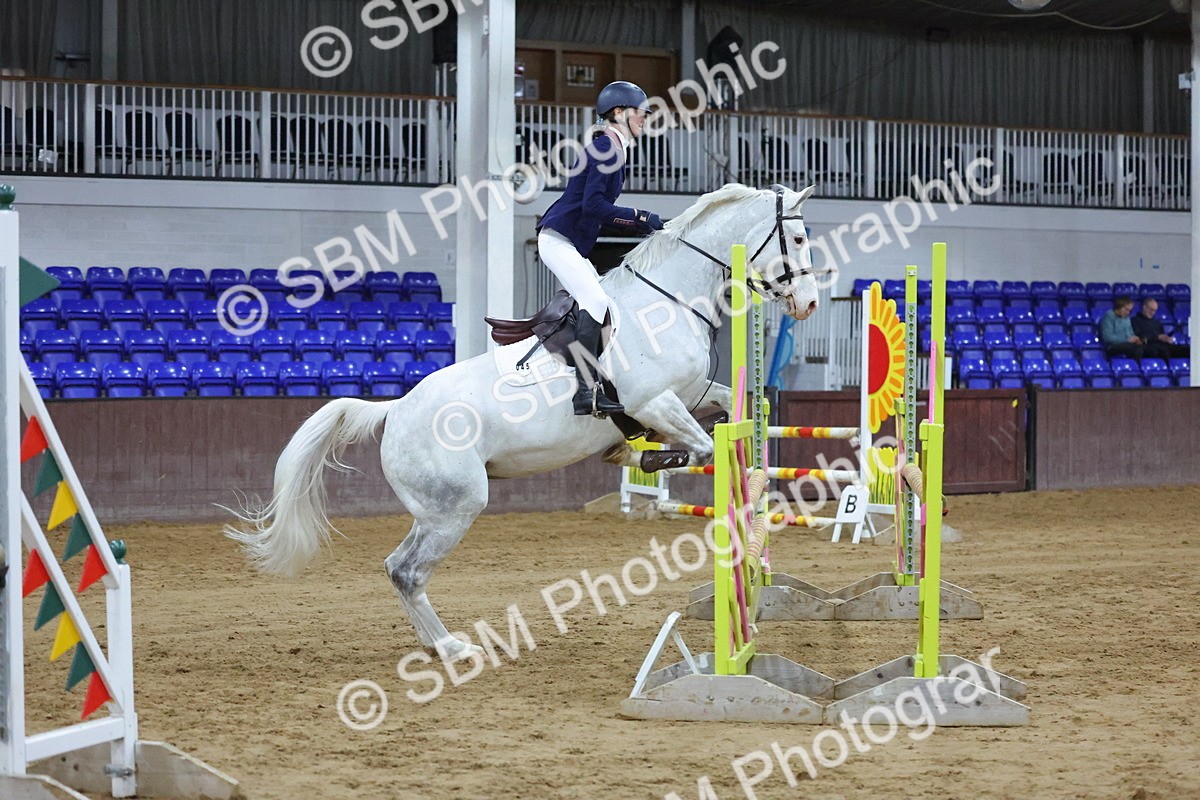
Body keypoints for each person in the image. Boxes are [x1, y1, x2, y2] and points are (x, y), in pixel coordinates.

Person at [537, 80, 664, 417]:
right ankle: (583, 391)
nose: (644, 119)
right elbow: (593, 206)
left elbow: (599, 213)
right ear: (619, 113)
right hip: (557, 239)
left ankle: (596, 381)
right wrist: (639, 216)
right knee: (594, 301)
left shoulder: (614, 150)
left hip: (570, 243)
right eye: (640, 113)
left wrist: (640, 226)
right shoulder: (605, 149)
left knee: (604, 300)